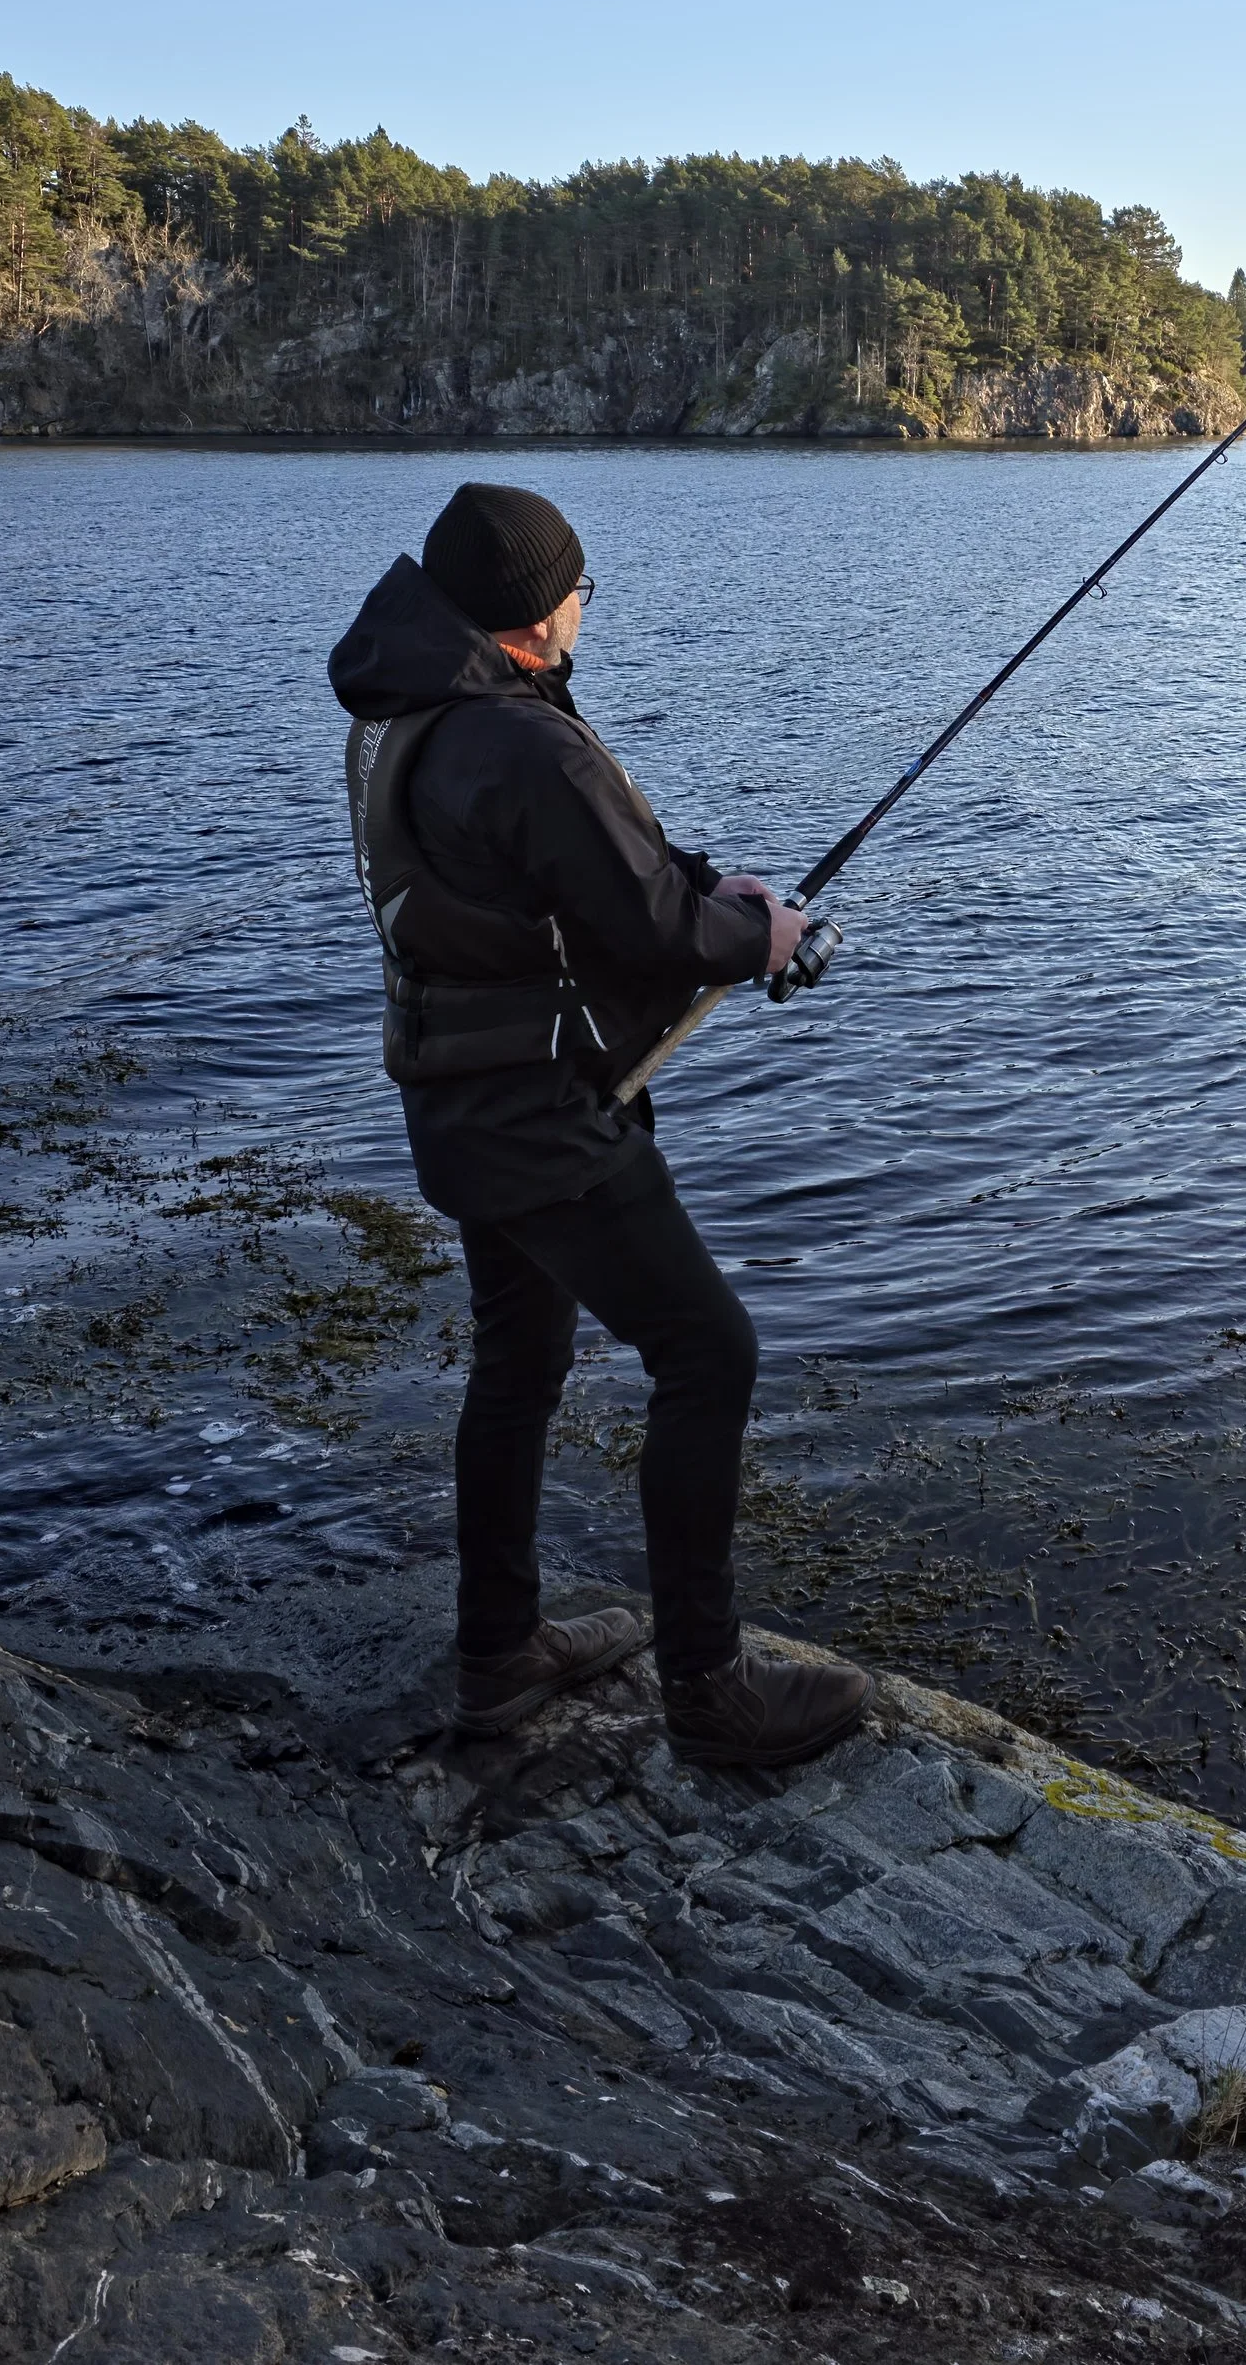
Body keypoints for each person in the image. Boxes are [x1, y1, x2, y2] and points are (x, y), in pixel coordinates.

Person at [327, 480, 874, 1767]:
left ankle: (498, 1654)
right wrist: (763, 934)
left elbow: (583, 880)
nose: (584, 608)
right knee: (709, 1354)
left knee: (518, 1366)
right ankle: (709, 1690)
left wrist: (706, 884)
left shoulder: (415, 710)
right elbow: (654, 933)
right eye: (577, 589)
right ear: (530, 618)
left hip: (459, 1106)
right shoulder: (523, 740)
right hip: (544, 1123)